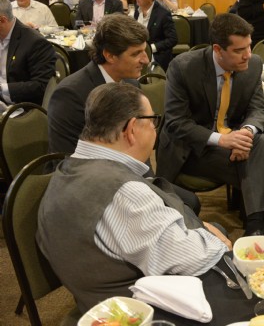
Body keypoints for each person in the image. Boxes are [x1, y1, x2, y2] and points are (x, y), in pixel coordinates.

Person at [38, 83, 231, 313]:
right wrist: (212, 237)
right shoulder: (124, 192)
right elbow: (193, 258)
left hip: (93, 295)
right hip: (139, 310)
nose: (155, 130)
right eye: (152, 121)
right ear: (131, 129)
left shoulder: (68, 168)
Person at [46, 13, 201, 213]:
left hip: (129, 175)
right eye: (136, 54)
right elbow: (68, 162)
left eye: (144, 50)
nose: (146, 60)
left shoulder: (130, 83)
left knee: (189, 203)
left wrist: (147, 184)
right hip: (91, 188)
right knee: (182, 208)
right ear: (110, 55)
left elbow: (139, 144)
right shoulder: (70, 94)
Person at [157, 13, 264, 236]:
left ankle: (256, 226)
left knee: (260, 142)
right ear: (217, 49)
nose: (248, 55)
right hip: (190, 149)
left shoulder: (253, 64)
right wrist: (223, 140)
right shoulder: (184, 67)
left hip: (229, 143)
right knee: (260, 162)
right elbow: (176, 123)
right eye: (239, 50)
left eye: (249, 46)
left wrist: (245, 134)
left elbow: (257, 110)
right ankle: (261, 228)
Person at [0, 0, 55, 107]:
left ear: (2, 20)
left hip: (22, 107)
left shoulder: (35, 42)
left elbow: (41, 86)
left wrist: (2, 89)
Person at [134, 0, 177, 70]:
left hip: (156, 56)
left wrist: (151, 48)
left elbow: (172, 39)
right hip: (136, 54)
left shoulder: (163, 14)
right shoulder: (137, 10)